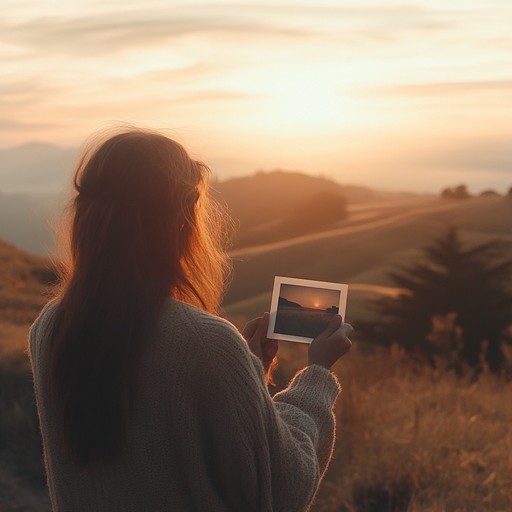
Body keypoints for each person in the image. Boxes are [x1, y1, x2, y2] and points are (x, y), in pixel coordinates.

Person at [28, 127, 352, 512]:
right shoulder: (206, 342)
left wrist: (248, 372)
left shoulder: (49, 328)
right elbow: (283, 487)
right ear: (181, 219)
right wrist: (316, 375)